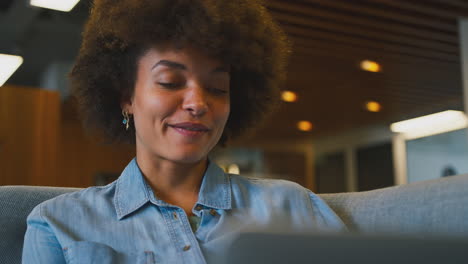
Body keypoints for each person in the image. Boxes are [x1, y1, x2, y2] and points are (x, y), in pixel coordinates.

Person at [22, 0, 346, 263]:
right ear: (126, 97)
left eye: (218, 88)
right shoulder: (58, 224)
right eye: (170, 82)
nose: (198, 103)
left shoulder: (292, 206)